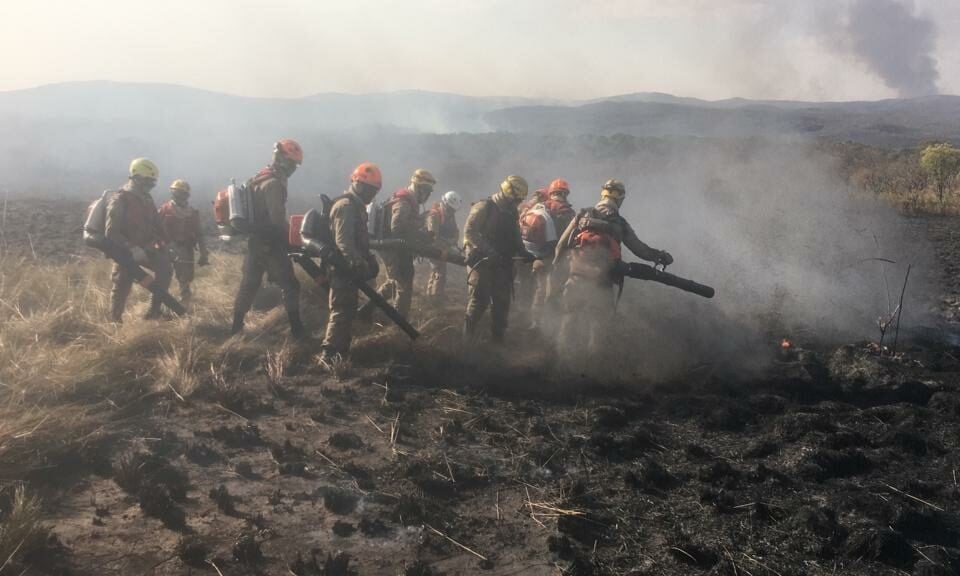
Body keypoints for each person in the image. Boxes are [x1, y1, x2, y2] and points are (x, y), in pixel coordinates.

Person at [554, 179, 673, 355]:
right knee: (598, 323)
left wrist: (559, 269)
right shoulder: (619, 223)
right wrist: (660, 256)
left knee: (569, 318)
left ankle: (560, 360)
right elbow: (640, 250)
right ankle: (593, 365)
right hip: (602, 282)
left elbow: (561, 245)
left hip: (576, 277)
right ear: (620, 200)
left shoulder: (582, 214)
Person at [231, 139, 305, 338]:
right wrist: (293, 239)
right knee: (290, 285)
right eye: (292, 164)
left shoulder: (260, 177)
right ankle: (297, 331)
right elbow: (278, 221)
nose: (293, 169)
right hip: (270, 243)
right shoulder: (273, 184)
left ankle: (235, 328)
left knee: (250, 284)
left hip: (255, 242)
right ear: (282, 159)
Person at [319, 163, 383, 365]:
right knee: (340, 310)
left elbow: (358, 242)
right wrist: (359, 264)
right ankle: (328, 357)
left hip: (348, 268)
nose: (371, 195)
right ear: (359, 185)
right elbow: (344, 243)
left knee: (348, 310)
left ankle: (342, 353)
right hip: (341, 268)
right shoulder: (346, 207)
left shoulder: (356, 206)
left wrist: (367, 260)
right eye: (370, 190)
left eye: (375, 192)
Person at [462, 175, 534, 343]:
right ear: (509, 193)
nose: (518, 202)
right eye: (517, 198)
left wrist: (523, 251)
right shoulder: (484, 207)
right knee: (479, 301)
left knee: (502, 304)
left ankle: (497, 343)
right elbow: (470, 232)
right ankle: (466, 342)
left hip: (503, 263)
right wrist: (490, 251)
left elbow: (515, 233)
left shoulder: (511, 210)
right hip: (483, 261)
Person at [105, 158, 172, 322]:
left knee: (165, 269)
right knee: (122, 285)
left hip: (146, 248)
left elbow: (157, 225)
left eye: (153, 182)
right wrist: (132, 248)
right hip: (124, 251)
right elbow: (111, 232)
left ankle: (153, 312)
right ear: (136, 177)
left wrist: (168, 245)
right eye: (148, 181)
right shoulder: (120, 199)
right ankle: (114, 322)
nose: (151, 185)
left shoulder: (147, 200)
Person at [368, 169, 436, 318]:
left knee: (395, 280)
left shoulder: (409, 200)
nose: (427, 195)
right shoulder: (404, 201)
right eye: (426, 191)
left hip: (394, 246)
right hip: (392, 246)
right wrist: (420, 229)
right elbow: (397, 227)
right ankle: (399, 321)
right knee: (404, 284)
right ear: (418, 188)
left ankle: (368, 309)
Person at [522, 178, 576, 328]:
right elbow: (570, 239)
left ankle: (535, 322)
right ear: (565, 194)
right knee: (555, 292)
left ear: (551, 192)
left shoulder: (539, 207)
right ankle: (552, 325)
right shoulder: (566, 212)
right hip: (556, 260)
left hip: (536, 257)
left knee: (540, 290)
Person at [158, 179, 208, 306]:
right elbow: (154, 230)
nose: (179, 196)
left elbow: (200, 234)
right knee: (163, 278)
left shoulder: (192, 213)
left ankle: (184, 306)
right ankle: (158, 305)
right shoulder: (164, 210)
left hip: (185, 249)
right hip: (166, 248)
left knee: (185, 280)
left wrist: (203, 253)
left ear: (186, 195)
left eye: (181, 193)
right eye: (176, 193)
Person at [515, 187, 549, 316]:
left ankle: (517, 305)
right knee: (529, 282)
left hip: (518, 249)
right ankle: (523, 309)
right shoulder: (539, 212)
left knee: (519, 279)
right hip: (530, 252)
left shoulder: (524, 208)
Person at [424, 190, 463, 301]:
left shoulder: (449, 215)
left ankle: (431, 294)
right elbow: (433, 237)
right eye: (450, 209)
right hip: (432, 247)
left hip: (443, 246)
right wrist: (447, 247)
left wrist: (453, 242)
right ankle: (436, 298)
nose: (452, 212)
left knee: (436, 270)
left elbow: (456, 231)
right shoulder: (434, 215)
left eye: (453, 210)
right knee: (440, 271)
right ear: (445, 203)